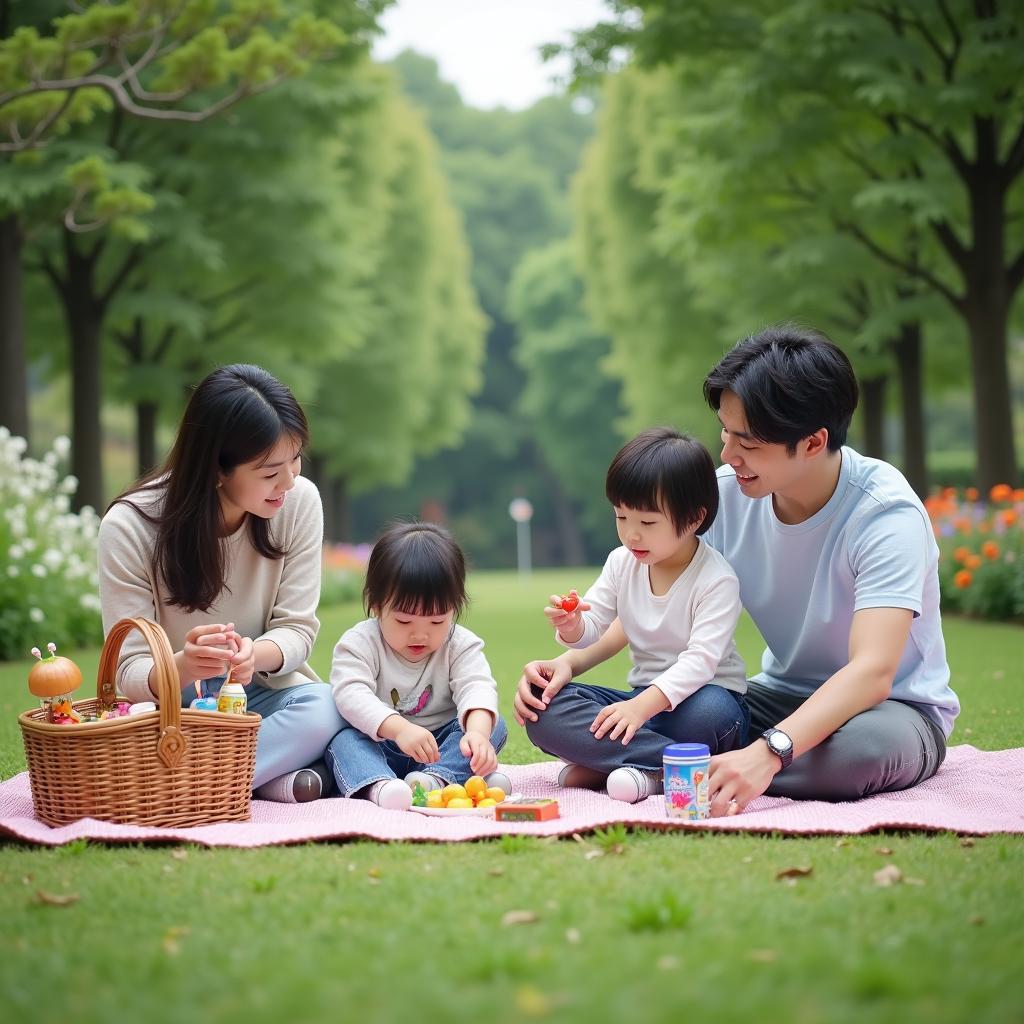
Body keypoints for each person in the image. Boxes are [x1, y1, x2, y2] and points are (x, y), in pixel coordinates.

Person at [701, 325, 959, 814]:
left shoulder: (884, 514)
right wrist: (575, 658)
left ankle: (669, 770)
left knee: (857, 756)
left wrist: (770, 752)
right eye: (725, 433)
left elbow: (873, 671)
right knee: (692, 710)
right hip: (777, 698)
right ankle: (715, 764)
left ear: (814, 441)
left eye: (748, 442)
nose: (728, 455)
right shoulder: (724, 498)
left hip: (891, 712)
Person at [98, 363, 342, 803]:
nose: (289, 481)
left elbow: (298, 630)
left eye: (296, 459)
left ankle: (183, 786)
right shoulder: (130, 527)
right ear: (216, 469)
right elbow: (128, 671)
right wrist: (186, 667)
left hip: (260, 697)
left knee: (326, 708)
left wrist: (254, 654)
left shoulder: (299, 502)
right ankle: (262, 777)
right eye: (269, 472)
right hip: (170, 713)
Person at [513, 428, 749, 803]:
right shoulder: (622, 563)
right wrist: (573, 626)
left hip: (702, 701)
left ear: (693, 519)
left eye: (648, 523)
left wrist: (641, 707)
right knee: (545, 706)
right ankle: (662, 767)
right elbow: (594, 627)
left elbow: (701, 662)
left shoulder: (716, 579)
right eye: (622, 517)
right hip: (639, 707)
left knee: (709, 715)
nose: (632, 535)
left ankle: (618, 760)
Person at [326, 521, 511, 811]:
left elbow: (476, 686)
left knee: (493, 725)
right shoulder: (360, 642)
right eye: (404, 621)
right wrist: (399, 730)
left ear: (455, 607)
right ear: (376, 604)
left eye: (437, 621)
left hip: (439, 747)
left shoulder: (460, 644)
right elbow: (351, 694)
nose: (420, 634)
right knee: (343, 740)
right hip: (382, 745)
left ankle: (435, 781)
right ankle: (381, 786)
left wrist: (476, 733)